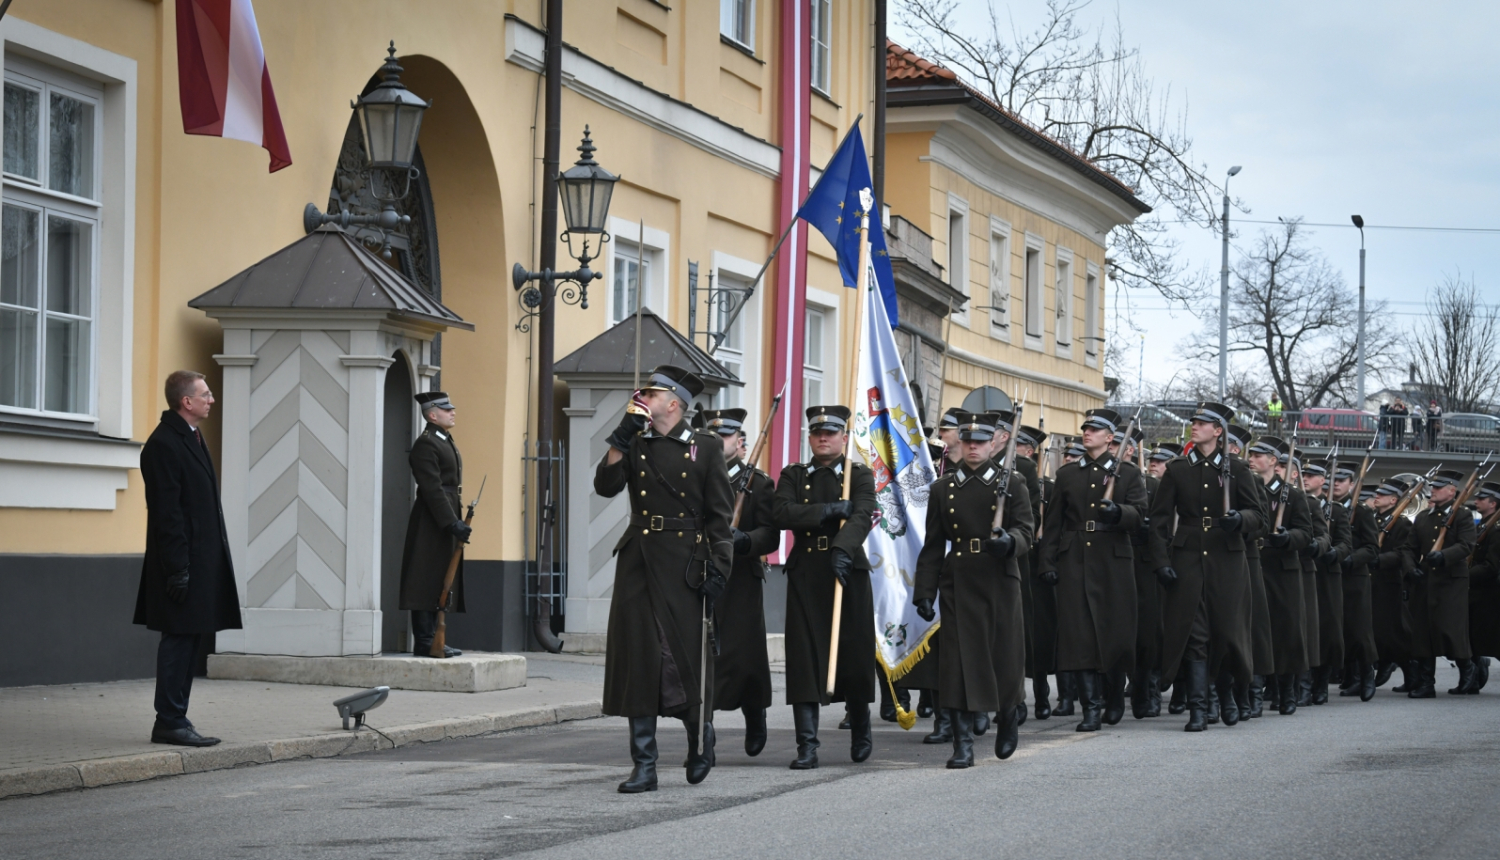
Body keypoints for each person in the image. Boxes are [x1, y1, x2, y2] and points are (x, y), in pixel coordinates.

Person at [594, 366, 735, 792]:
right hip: (638, 558)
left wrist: (719, 566)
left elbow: (720, 515)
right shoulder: (635, 440)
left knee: (683, 656)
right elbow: (604, 486)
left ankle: (699, 739)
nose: (643, 395)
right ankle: (644, 763)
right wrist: (620, 438)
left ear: (673, 402)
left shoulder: (705, 447)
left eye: (651, 392)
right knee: (639, 655)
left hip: (686, 561)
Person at [913, 412, 1033, 766]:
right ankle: (962, 744)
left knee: (1003, 656)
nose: (973, 447)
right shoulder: (942, 488)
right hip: (959, 579)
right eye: (967, 441)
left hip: (998, 576)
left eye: (980, 441)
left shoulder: (1012, 482)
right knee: (958, 663)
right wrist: (925, 591)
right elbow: (933, 544)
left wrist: (1010, 541)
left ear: (993, 443)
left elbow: (1027, 529)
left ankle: (1008, 713)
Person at [133, 370, 243, 747]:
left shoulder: (191, 437)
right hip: (180, 565)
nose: (212, 399)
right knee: (178, 640)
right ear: (187, 402)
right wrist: (178, 570)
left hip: (198, 562)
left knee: (189, 638)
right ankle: (169, 720)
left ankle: (176, 716)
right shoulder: (164, 444)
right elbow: (167, 514)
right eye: (206, 394)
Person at [1149, 402, 1267, 732]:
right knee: (1195, 635)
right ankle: (1198, 708)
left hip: (1226, 559)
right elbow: (1159, 520)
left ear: (1218, 431)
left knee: (1227, 633)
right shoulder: (1177, 469)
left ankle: (1226, 694)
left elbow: (1259, 519)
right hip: (1187, 558)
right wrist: (1161, 561)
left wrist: (1239, 519)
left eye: (1202, 423)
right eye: (1193, 422)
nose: (1194, 426)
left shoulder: (1238, 469)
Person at [773, 405, 878, 770]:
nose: (823, 438)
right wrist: (830, 509)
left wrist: (841, 549)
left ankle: (861, 727)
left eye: (831, 433)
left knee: (854, 653)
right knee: (803, 658)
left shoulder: (859, 474)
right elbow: (782, 513)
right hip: (806, 573)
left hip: (847, 570)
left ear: (844, 438)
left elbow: (864, 513)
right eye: (817, 433)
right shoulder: (793, 474)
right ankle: (807, 746)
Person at [1041, 409, 1148, 732]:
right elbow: (1054, 523)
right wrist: (1047, 561)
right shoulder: (1068, 474)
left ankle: (1115, 695)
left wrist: (1119, 512)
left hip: (1112, 558)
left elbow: (1142, 515)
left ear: (1109, 437)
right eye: (1085, 428)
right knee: (1079, 636)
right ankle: (1091, 708)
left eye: (1095, 430)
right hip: (1075, 558)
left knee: (1114, 634)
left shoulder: (1127, 473)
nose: (1087, 433)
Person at [704, 410, 779, 756]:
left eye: (727, 437)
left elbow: (770, 535)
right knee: (705, 656)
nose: (721, 443)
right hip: (703, 576)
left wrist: (745, 540)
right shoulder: (695, 478)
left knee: (745, 655)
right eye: (714, 436)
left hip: (741, 582)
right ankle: (704, 728)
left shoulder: (758, 483)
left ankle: (755, 713)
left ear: (740, 442)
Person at [1245, 436, 1313, 715]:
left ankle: (1287, 692)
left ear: (1273, 461)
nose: (1251, 459)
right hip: (1255, 565)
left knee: (1286, 632)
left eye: (1258, 455)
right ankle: (1254, 693)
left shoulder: (1292, 495)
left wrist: (1288, 537)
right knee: (1255, 631)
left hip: (1282, 571)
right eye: (1251, 454)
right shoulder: (1246, 488)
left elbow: (1306, 533)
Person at [400, 392, 469, 659]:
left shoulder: (442, 440)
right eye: (446, 409)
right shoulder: (426, 444)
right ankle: (426, 640)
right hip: (432, 518)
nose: (452, 412)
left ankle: (432, 640)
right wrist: (450, 522)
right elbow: (432, 489)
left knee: (440, 577)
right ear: (432, 415)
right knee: (425, 577)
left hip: (445, 512)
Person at [1399, 469, 1477, 697]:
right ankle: (1426, 683)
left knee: (1449, 630)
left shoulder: (1461, 515)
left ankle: (1468, 671)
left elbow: (1466, 545)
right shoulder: (1424, 517)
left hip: (1451, 581)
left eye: (1438, 487)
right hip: (1426, 581)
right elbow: (1408, 548)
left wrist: (1444, 555)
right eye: (1432, 487)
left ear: (1452, 491)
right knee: (1422, 632)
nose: (1433, 490)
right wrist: (1410, 568)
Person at [1304, 461, 1350, 705]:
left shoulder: (1337, 510)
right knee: (1306, 627)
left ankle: (1320, 682)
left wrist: (1335, 552)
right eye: (1303, 474)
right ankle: (1303, 681)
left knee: (1326, 629)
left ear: (1323, 481)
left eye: (1311, 476)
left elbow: (1345, 542)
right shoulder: (1298, 501)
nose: (1305, 479)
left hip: (1326, 576)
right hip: (1306, 571)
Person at [1334, 468, 1380, 701]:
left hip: (1355, 578)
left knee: (1359, 630)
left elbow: (1372, 547)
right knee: (1342, 629)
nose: (1336, 484)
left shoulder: (1361, 512)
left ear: (1352, 484)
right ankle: (1352, 678)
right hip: (1334, 576)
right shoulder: (1328, 508)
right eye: (1333, 480)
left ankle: (1367, 674)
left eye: (1341, 481)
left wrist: (1353, 558)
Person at [1369, 478, 1417, 693]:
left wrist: (1381, 559)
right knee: (1375, 630)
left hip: (1390, 583)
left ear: (1393, 500)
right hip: (1372, 581)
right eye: (1377, 493)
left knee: (1395, 631)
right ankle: (1381, 666)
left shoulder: (1402, 523)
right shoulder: (1373, 519)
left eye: (1382, 494)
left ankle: (1411, 674)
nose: (1376, 496)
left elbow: (1403, 552)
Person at [1464, 482, 1500, 694]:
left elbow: (1492, 566)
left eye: (1481, 499)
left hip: (1489, 593)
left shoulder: (1495, 529)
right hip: (1475, 591)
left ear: (1493, 503)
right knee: (1473, 637)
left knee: (1492, 638)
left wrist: (1464, 576)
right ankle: (1474, 679)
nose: (1476, 501)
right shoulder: (1482, 525)